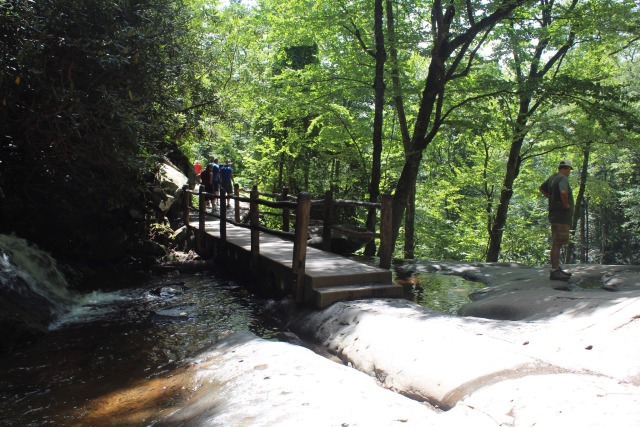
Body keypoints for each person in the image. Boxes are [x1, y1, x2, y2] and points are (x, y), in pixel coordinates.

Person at [539, 159, 574, 281]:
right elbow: (563, 192)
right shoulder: (562, 178)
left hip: (554, 214)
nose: (569, 172)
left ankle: (557, 269)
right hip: (561, 216)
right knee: (557, 243)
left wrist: (551, 197)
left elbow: (541, 188)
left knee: (557, 243)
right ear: (566, 168)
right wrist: (565, 205)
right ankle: (554, 271)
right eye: (570, 169)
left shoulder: (553, 177)